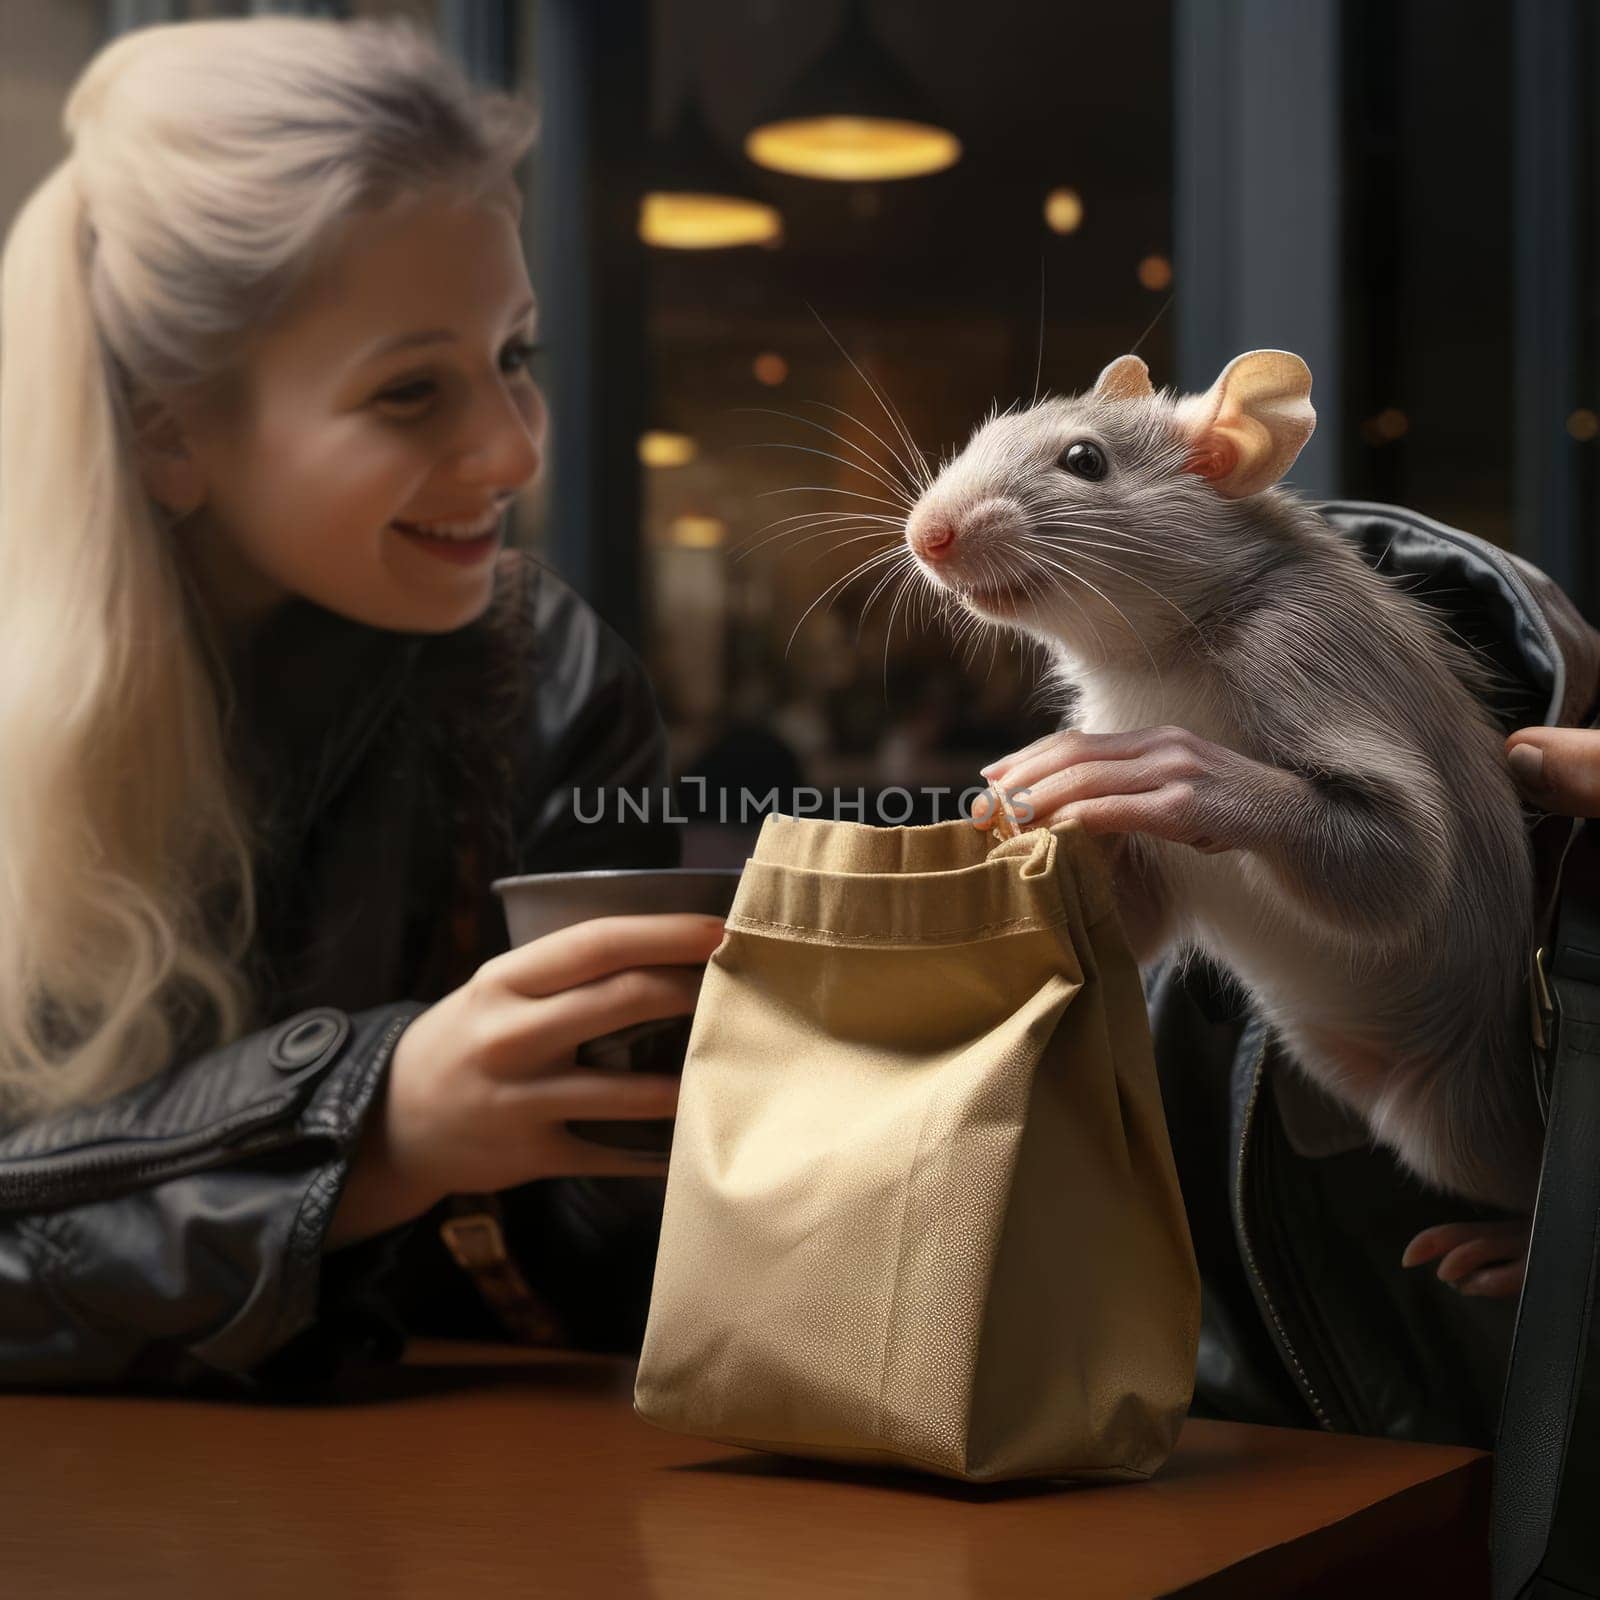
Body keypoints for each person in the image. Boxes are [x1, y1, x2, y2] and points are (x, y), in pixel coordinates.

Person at [0, 15, 719, 1388]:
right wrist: (374, 1130)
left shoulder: (548, 679)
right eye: (409, 391)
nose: (510, 449)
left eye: (517, 356)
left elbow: (626, 1282)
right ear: (167, 427)